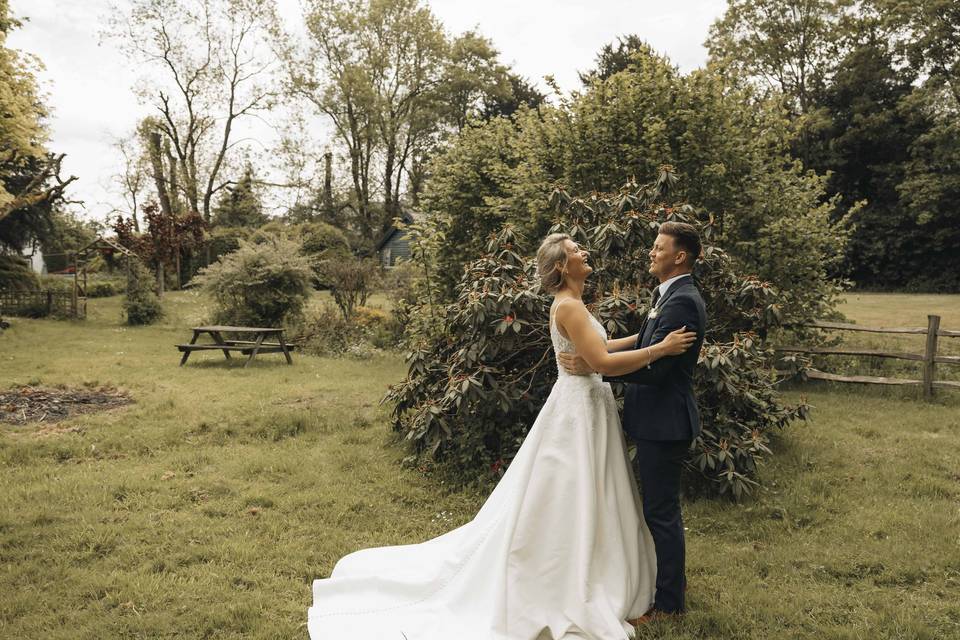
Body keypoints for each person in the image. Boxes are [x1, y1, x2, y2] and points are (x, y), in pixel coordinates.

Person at [307, 232, 697, 640]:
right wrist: (659, 349)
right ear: (563, 266)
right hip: (579, 410)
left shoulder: (572, 304)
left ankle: (588, 562)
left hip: (583, 405)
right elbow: (600, 361)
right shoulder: (570, 305)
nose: (584, 253)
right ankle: (569, 570)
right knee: (574, 489)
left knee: (584, 489)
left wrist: (646, 338)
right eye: (576, 251)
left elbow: (598, 346)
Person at [558, 221, 707, 618]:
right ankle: (667, 584)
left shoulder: (683, 301)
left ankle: (670, 604)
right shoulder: (666, 296)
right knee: (657, 510)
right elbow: (645, 346)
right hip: (654, 421)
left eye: (659, 247)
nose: (651, 252)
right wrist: (600, 357)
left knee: (661, 512)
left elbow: (659, 370)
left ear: (679, 256)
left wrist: (597, 367)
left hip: (666, 423)